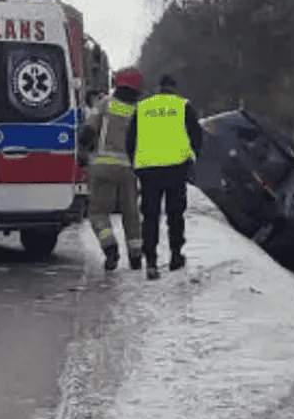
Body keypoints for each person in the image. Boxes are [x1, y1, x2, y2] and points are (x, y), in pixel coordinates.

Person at [125, 73, 204, 280]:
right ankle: (176, 256)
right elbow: (196, 135)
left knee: (150, 216)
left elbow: (130, 138)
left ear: (158, 88)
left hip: (149, 169)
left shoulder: (142, 108)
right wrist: (192, 157)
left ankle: (150, 261)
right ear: (174, 88)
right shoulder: (183, 106)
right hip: (176, 168)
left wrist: (135, 163)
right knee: (175, 214)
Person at [78, 68, 144, 271]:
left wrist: (83, 153)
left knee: (98, 212)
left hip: (103, 167)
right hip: (129, 170)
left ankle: (110, 248)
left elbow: (88, 131)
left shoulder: (106, 103)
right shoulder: (139, 110)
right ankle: (135, 256)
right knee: (131, 214)